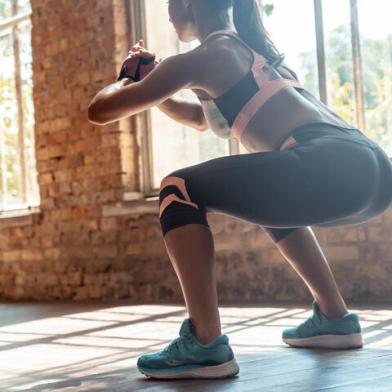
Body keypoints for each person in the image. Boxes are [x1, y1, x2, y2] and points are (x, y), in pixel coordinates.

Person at [87, 0, 392, 380]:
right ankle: (334, 318)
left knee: (177, 188)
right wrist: (157, 84)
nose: (167, 12)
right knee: (272, 200)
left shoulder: (206, 54)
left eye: (169, 3)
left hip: (328, 164)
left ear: (189, 4)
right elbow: (204, 119)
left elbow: (99, 111)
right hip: (372, 171)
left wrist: (128, 79)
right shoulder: (255, 53)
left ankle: (205, 344)